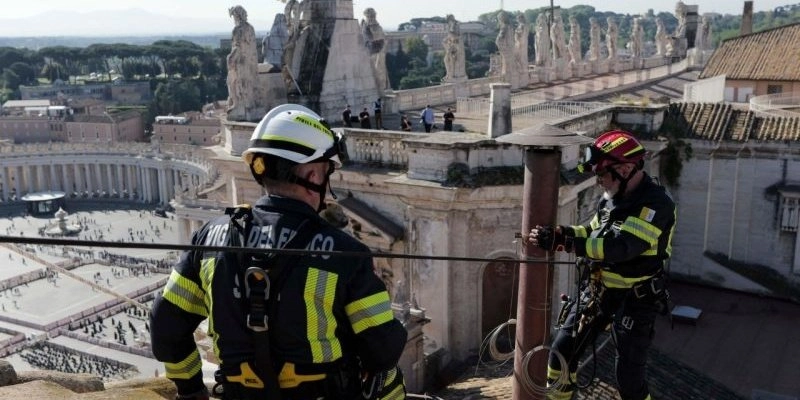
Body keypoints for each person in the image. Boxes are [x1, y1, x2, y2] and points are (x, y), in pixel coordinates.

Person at [150, 104, 408, 400]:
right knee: (388, 376)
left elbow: (165, 326)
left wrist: (191, 388)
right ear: (313, 175)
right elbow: (383, 349)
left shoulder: (210, 238)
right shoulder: (346, 253)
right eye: (327, 173)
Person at [528, 130, 676, 400]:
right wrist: (562, 235)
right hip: (600, 289)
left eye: (602, 174)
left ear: (626, 169)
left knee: (629, 378)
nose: (598, 182)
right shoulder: (611, 199)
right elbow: (592, 233)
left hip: (637, 298)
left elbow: (622, 248)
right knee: (560, 353)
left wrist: (570, 244)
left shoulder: (656, 204)